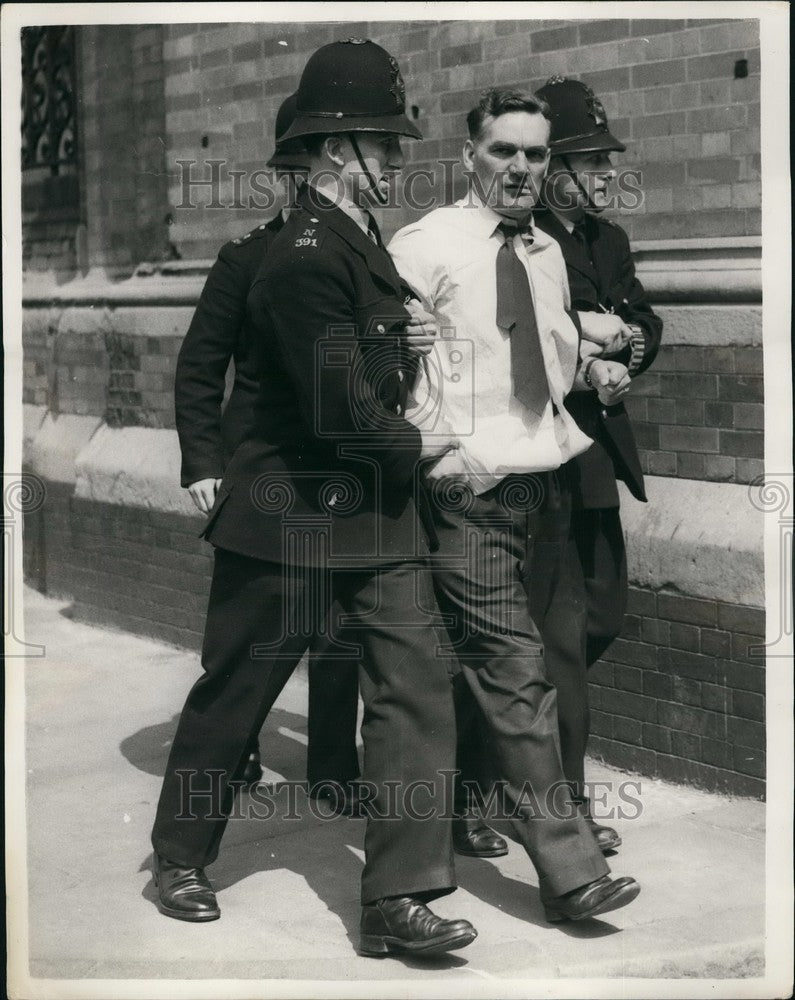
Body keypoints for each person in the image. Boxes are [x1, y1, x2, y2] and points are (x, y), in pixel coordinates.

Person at [151, 38, 478, 958]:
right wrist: (424, 442)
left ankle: (397, 900)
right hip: (288, 517)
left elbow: (354, 371)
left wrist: (403, 342)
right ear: (337, 151)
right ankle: (180, 855)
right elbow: (333, 405)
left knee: (415, 692)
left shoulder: (352, 243)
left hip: (374, 516)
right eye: (386, 143)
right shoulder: (298, 253)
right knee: (239, 695)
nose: (399, 161)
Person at [388, 87, 640, 923]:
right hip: (470, 490)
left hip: (549, 489)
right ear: (469, 157)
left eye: (535, 154)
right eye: (504, 151)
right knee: (514, 670)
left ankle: (463, 805)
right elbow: (393, 370)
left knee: (520, 663)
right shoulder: (425, 247)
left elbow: (543, 361)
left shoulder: (543, 254)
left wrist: (593, 366)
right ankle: (569, 875)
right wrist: (443, 456)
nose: (522, 168)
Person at [174, 93, 361, 805]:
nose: (299, 192)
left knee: (342, 642)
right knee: (244, 654)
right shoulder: (246, 258)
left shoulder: (354, 254)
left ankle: (335, 771)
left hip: (343, 485)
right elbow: (200, 365)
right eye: (290, 178)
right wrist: (203, 461)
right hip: (266, 483)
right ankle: (220, 772)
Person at [531, 76, 663, 850]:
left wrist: (632, 343)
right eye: (590, 160)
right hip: (549, 458)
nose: (607, 173)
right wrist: (587, 351)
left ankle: (498, 767)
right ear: (553, 168)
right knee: (561, 637)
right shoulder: (529, 239)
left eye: (607, 159)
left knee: (602, 614)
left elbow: (639, 312)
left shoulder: (605, 240)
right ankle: (566, 810)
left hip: (599, 460)